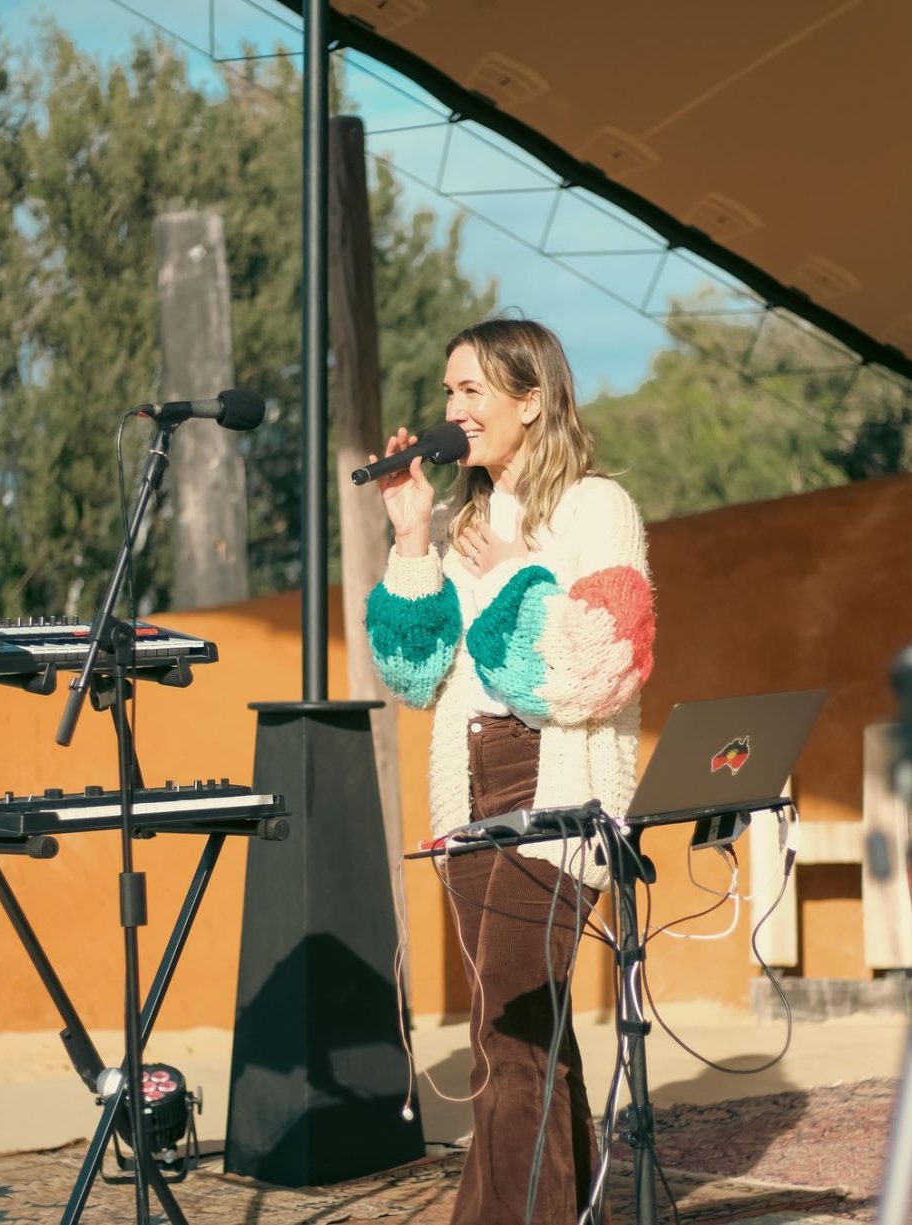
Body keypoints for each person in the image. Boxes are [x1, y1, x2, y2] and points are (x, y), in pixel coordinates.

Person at [364, 318, 655, 1225]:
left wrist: (516, 574)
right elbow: (415, 672)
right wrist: (413, 537)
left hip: (557, 785)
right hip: (472, 788)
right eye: (448, 391)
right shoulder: (464, 524)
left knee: (504, 1031)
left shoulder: (596, 508)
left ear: (531, 401)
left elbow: (604, 660)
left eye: (473, 390)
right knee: (532, 1030)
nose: (453, 409)